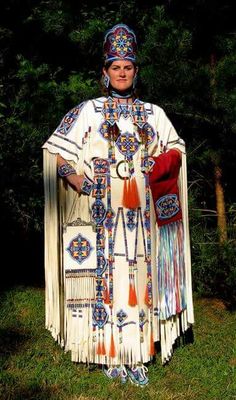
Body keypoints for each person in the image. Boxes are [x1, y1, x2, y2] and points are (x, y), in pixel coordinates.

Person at [42, 23, 194, 387]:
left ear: (135, 71)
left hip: (141, 216)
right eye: (115, 67)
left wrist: (161, 164)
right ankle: (109, 352)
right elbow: (54, 149)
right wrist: (72, 176)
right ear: (105, 72)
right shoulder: (88, 112)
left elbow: (176, 149)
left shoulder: (153, 114)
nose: (121, 73)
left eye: (128, 67)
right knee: (105, 282)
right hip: (101, 216)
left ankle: (138, 353)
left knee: (140, 280)